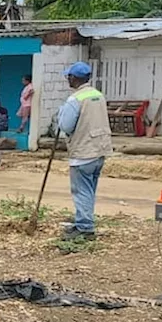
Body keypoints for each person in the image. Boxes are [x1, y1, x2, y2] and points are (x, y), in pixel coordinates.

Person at [57, 62, 112, 242]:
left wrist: (61, 113)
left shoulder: (75, 99)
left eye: (69, 76)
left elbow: (65, 126)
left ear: (74, 78)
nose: (68, 79)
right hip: (100, 148)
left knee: (81, 190)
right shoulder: (98, 95)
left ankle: (85, 227)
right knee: (89, 189)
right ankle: (84, 220)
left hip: (83, 151)